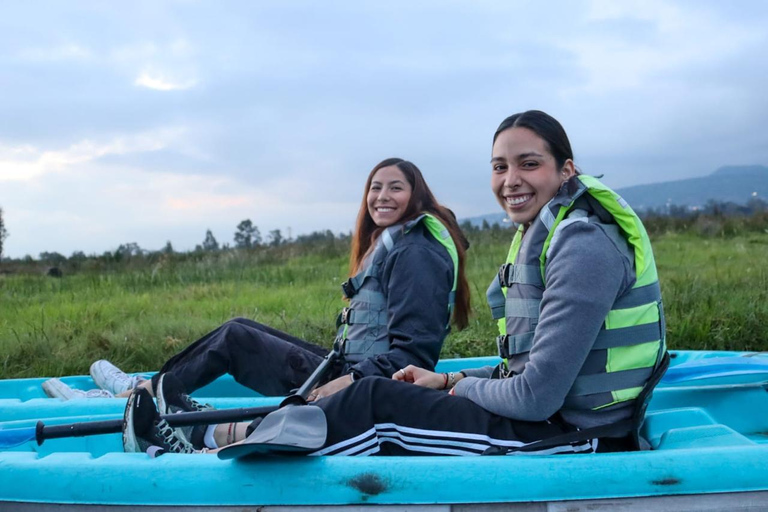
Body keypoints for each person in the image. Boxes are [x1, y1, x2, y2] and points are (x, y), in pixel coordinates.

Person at [124, 111, 667, 456]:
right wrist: (446, 383)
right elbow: (523, 369)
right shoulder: (546, 235)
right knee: (369, 390)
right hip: (546, 417)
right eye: (500, 167)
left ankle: (206, 447)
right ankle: (196, 423)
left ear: (566, 171)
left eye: (529, 164)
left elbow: (533, 394)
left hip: (572, 436)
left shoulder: (584, 246)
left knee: (372, 405)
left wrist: (456, 384)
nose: (510, 181)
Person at [71, 157, 470, 452]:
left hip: (365, 386)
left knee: (235, 338)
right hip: (351, 369)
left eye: (395, 187)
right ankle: (150, 387)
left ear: (415, 195)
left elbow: (411, 356)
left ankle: (146, 392)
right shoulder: (398, 245)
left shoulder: (417, 254)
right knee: (239, 329)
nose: (382, 196)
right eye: (376, 187)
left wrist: (335, 385)